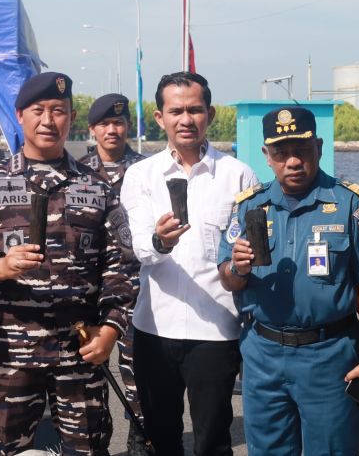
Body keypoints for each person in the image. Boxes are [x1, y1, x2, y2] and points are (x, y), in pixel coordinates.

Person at [0, 72, 134, 455]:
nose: (48, 121)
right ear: (20, 115)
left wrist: (111, 330)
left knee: (87, 449)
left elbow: (121, 266)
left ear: (72, 118)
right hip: (12, 351)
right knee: (4, 449)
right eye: (38, 111)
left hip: (80, 350)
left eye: (58, 111)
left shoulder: (97, 188)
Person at [219, 106, 359, 455]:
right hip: (263, 355)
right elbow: (228, 279)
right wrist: (238, 268)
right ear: (267, 156)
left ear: (319, 147)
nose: (293, 161)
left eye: (302, 150)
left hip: (329, 355)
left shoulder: (351, 204)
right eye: (281, 152)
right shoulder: (249, 206)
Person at [120, 71, 259, 456]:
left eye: (195, 110)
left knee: (213, 440)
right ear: (159, 116)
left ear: (210, 114)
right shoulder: (140, 175)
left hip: (216, 329)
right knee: (161, 437)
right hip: (155, 327)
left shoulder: (238, 175)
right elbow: (140, 247)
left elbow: (248, 252)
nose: (186, 119)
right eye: (176, 111)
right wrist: (160, 242)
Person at [78, 92, 148, 454]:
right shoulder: (76, 172)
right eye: (104, 124)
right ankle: (96, 441)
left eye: (118, 123)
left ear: (127, 127)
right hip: (89, 289)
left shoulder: (147, 171)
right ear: (92, 129)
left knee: (139, 373)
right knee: (89, 373)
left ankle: (140, 436)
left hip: (137, 287)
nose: (112, 130)